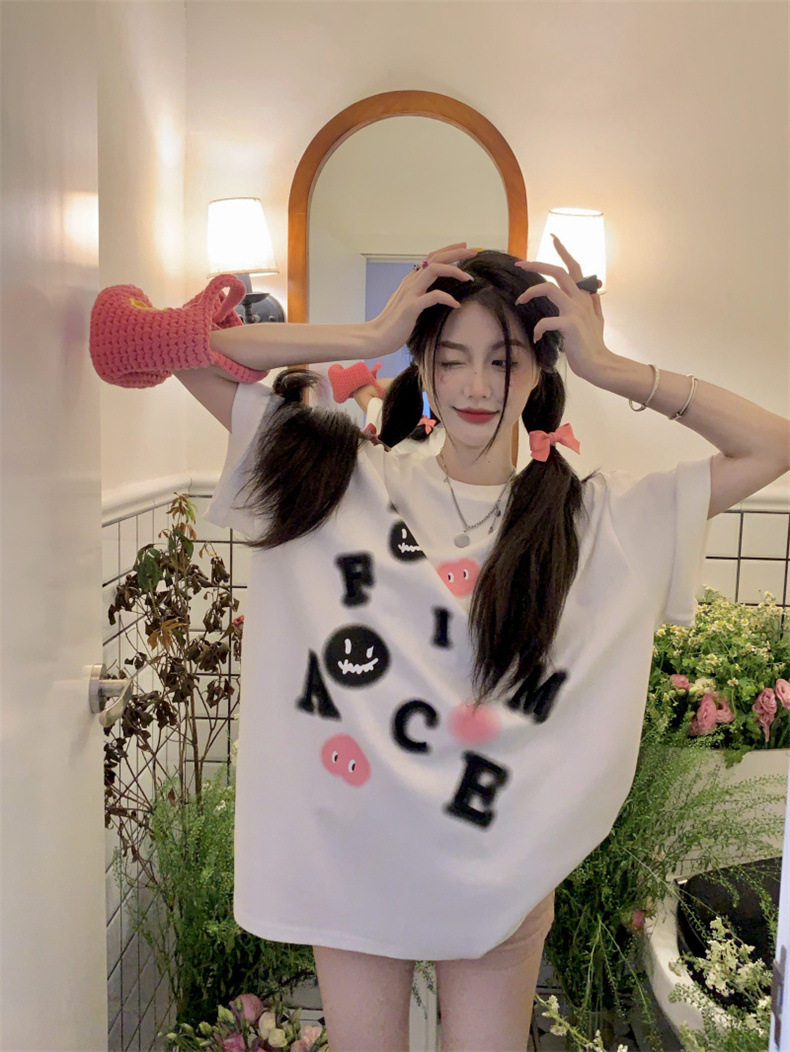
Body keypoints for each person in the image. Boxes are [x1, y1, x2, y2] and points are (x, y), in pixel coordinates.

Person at [90, 242, 790, 1051]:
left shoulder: (591, 518)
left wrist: (611, 367)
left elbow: (773, 447)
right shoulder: (337, 478)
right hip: (356, 857)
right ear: (422, 364)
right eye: (451, 359)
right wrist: (368, 335)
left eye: (504, 359)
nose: (477, 386)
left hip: (500, 871)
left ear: (537, 370)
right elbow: (130, 341)